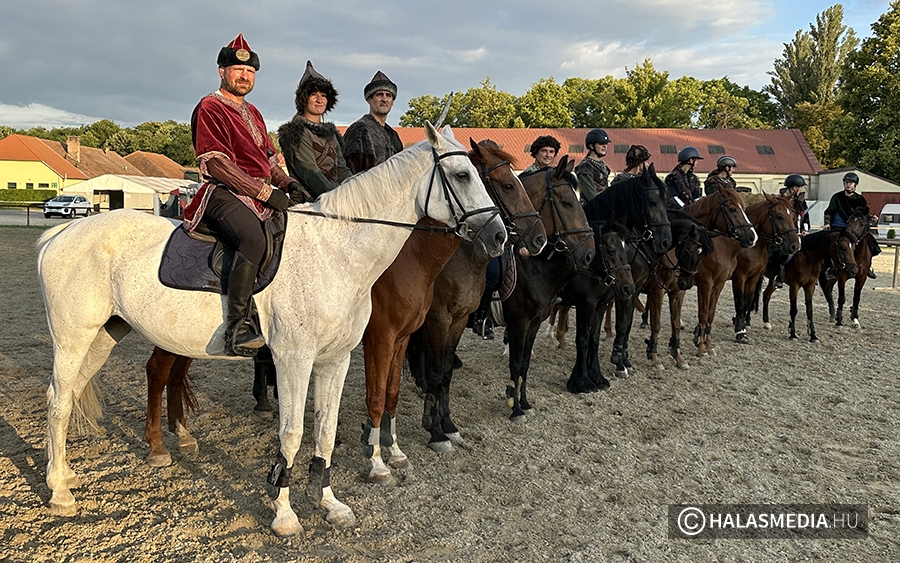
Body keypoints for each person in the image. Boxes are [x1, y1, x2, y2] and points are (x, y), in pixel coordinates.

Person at [183, 33, 306, 357]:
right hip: (221, 193)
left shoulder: (255, 113)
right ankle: (237, 327)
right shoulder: (210, 107)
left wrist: (288, 183)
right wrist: (265, 191)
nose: (244, 76)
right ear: (222, 71)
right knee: (253, 240)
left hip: (257, 195)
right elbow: (217, 163)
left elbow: (267, 160)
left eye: (250, 72)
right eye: (237, 70)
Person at [278, 61, 352, 197]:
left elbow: (342, 169)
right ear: (304, 99)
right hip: (310, 204)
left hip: (338, 200)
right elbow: (310, 173)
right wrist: (336, 198)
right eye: (313, 95)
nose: (319, 100)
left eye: (323, 95)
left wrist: (354, 189)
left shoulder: (331, 134)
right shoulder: (296, 132)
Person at [342, 71, 403, 174]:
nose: (384, 99)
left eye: (388, 95)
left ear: (392, 102)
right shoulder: (359, 130)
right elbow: (351, 173)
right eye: (379, 95)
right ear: (369, 99)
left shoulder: (393, 136)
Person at [823, 171, 881, 279]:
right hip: (839, 227)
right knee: (830, 243)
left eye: (851, 182)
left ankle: (867, 266)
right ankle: (832, 267)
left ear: (855, 185)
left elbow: (863, 214)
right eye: (846, 182)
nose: (848, 184)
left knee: (870, 242)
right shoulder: (837, 197)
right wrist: (827, 223)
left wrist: (871, 217)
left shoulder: (861, 199)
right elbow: (829, 212)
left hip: (855, 229)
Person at [770, 174, 809, 289]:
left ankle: (812, 276)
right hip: (782, 233)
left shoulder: (800, 201)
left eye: (801, 187)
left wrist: (805, 230)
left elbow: (805, 218)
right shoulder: (779, 200)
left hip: (797, 232)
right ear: (791, 187)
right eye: (798, 187)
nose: (800, 190)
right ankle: (777, 276)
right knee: (779, 252)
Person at [574, 128, 611, 202]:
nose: (605, 146)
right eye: (601, 143)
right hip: (590, 207)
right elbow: (590, 193)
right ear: (591, 146)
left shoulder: (603, 165)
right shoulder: (585, 166)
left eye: (606, 144)